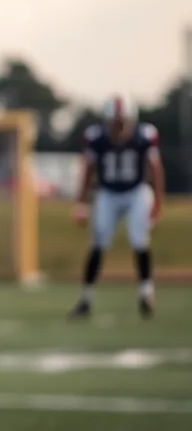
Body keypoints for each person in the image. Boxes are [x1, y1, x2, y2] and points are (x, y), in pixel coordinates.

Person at [69, 95, 164, 319]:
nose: (118, 128)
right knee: (98, 242)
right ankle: (86, 298)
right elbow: (88, 171)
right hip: (108, 192)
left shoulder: (144, 137)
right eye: (115, 123)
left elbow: (156, 170)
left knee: (139, 240)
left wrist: (158, 202)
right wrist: (81, 203)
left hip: (136, 191)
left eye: (122, 122)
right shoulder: (97, 139)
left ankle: (146, 292)